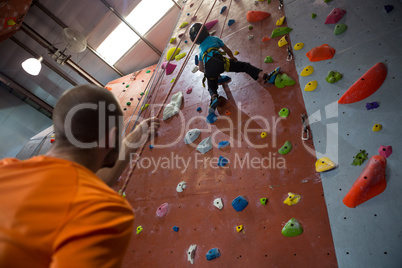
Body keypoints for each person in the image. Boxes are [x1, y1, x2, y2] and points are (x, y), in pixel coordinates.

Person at [0, 84, 160, 268]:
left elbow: (85, 184)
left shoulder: (6, 170)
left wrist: (136, 136)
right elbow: (84, 194)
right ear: (111, 138)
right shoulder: (102, 209)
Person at [189, 22, 280, 114]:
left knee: (211, 86)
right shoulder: (214, 38)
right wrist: (232, 58)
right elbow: (227, 50)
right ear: (205, 30)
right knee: (245, 66)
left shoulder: (200, 50)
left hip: (209, 69)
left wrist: (211, 73)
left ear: (196, 41)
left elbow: (200, 69)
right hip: (221, 63)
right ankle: (266, 77)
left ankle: (214, 98)